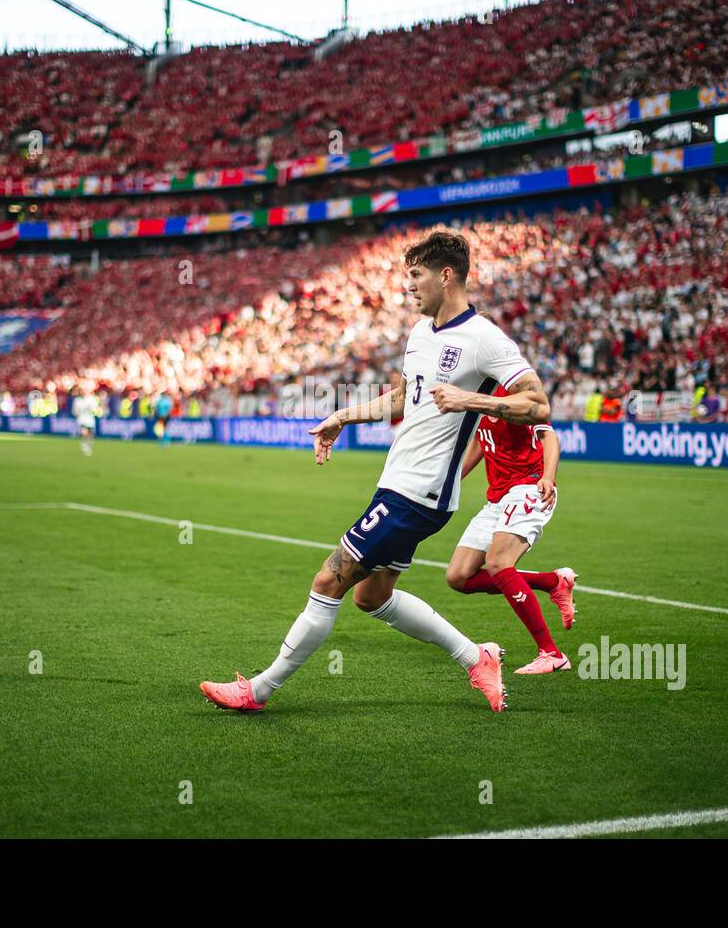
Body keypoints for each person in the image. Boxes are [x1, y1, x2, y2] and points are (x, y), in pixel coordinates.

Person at [199, 230, 551, 714]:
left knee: (327, 581)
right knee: (372, 596)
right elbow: (405, 399)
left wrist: (474, 399)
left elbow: (537, 405)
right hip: (399, 485)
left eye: (416, 275)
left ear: (446, 275)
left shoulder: (484, 338)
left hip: (419, 495)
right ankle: (478, 657)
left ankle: (258, 690)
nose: (409, 286)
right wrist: (342, 416)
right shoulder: (419, 334)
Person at [444, 384, 576, 674]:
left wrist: (549, 477)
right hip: (497, 498)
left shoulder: (514, 390)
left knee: (498, 564)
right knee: (458, 577)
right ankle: (551, 582)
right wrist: (452, 479)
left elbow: (549, 437)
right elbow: (482, 440)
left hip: (529, 488)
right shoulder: (475, 393)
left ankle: (551, 653)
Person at [71, 386, 100, 456]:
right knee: (84, 431)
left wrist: (92, 409)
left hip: (90, 418)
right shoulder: (77, 400)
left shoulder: (91, 399)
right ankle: (84, 443)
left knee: (90, 434)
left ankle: (87, 445)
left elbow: (95, 408)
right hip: (82, 418)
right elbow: (75, 410)